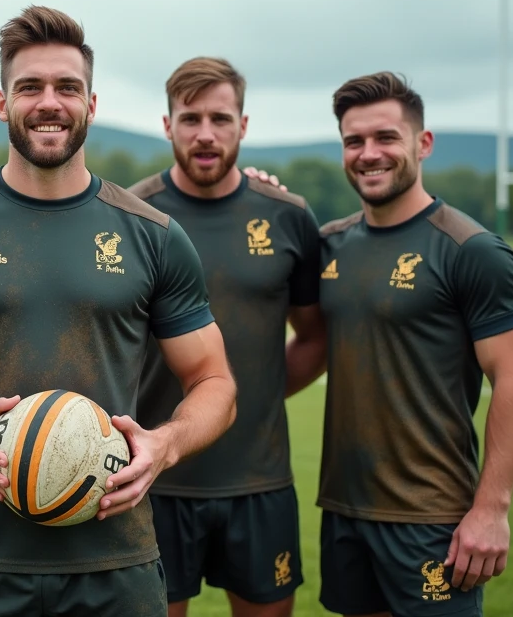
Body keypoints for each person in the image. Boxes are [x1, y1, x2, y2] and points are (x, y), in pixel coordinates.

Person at [0, 5, 237, 617]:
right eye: (29, 87)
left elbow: (215, 382)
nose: (48, 102)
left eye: (66, 87)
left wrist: (166, 445)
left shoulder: (153, 236)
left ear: (91, 103)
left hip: (117, 561)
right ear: (3, 103)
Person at [305, 72, 513, 617]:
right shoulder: (331, 243)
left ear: (422, 143)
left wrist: (492, 510)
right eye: (353, 141)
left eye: (386, 137)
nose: (369, 154)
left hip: (431, 516)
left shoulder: (472, 250)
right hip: (344, 508)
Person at [129, 57, 327, 617]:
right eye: (190, 119)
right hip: (153, 479)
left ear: (244, 124)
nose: (206, 134)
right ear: (167, 125)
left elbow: (314, 337)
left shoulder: (288, 217)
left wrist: (243, 399)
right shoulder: (131, 217)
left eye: (221, 118)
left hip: (258, 482)